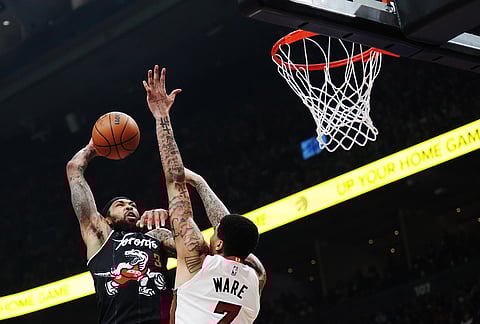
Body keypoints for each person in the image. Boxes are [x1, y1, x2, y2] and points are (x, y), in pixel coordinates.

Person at [143, 64, 266, 323]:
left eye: (214, 235)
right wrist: (198, 182)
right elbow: (229, 227)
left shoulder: (198, 260)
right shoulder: (256, 276)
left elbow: (174, 180)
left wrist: (161, 116)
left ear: (219, 243)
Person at [66, 142, 175, 324]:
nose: (129, 207)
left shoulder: (157, 236)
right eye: (121, 205)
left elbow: (197, 251)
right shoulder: (101, 236)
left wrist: (172, 219)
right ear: (106, 219)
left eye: (132, 205)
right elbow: (73, 169)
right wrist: (94, 146)